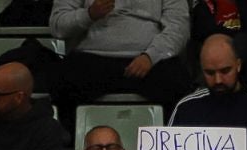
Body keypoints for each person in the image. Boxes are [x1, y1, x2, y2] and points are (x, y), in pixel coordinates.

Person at [50, 0, 194, 114]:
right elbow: (58, 26)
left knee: (179, 82)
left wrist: (151, 56)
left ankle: (170, 145)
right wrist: (89, 14)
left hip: (149, 59)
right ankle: (76, 144)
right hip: (92, 57)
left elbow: (179, 27)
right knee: (62, 79)